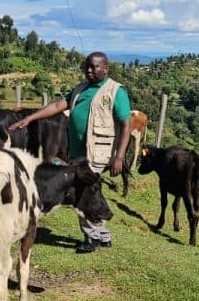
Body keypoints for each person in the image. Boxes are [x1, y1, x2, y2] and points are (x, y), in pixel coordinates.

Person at [10, 51, 132, 253]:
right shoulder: (81, 88)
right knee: (91, 190)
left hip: (99, 152)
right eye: (87, 67)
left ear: (106, 68)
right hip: (78, 152)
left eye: (94, 67)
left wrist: (119, 157)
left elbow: (126, 125)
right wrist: (31, 118)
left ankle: (92, 237)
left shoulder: (115, 91)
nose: (90, 71)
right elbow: (59, 105)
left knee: (82, 190)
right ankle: (102, 234)